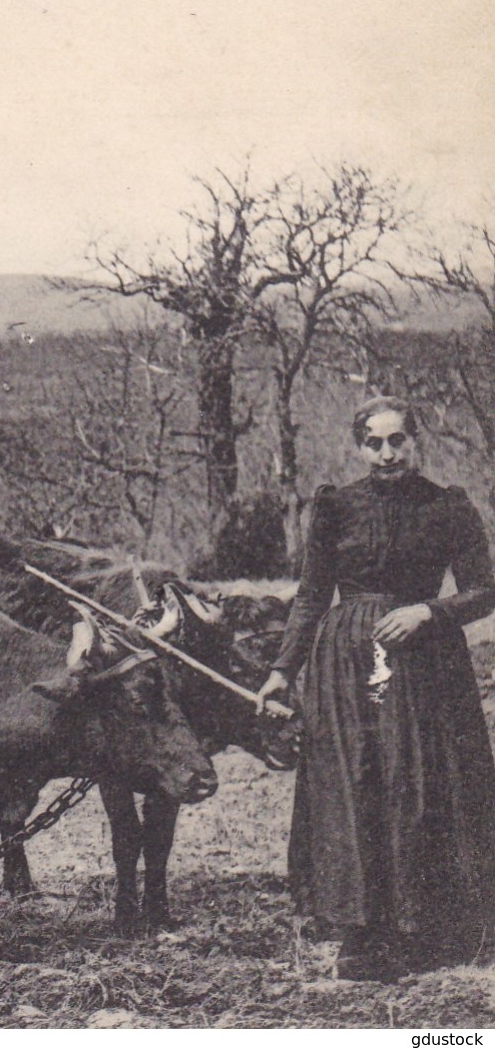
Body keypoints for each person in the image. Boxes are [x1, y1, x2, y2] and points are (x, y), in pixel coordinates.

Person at [256, 397, 495, 980]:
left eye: (397, 441)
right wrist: (283, 670)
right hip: (345, 665)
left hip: (427, 667)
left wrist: (428, 613)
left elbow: (485, 589)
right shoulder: (336, 507)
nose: (387, 454)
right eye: (374, 443)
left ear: (416, 441)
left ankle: (431, 928)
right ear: (359, 447)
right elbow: (312, 594)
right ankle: (361, 933)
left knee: (416, 782)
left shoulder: (448, 507)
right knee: (354, 784)